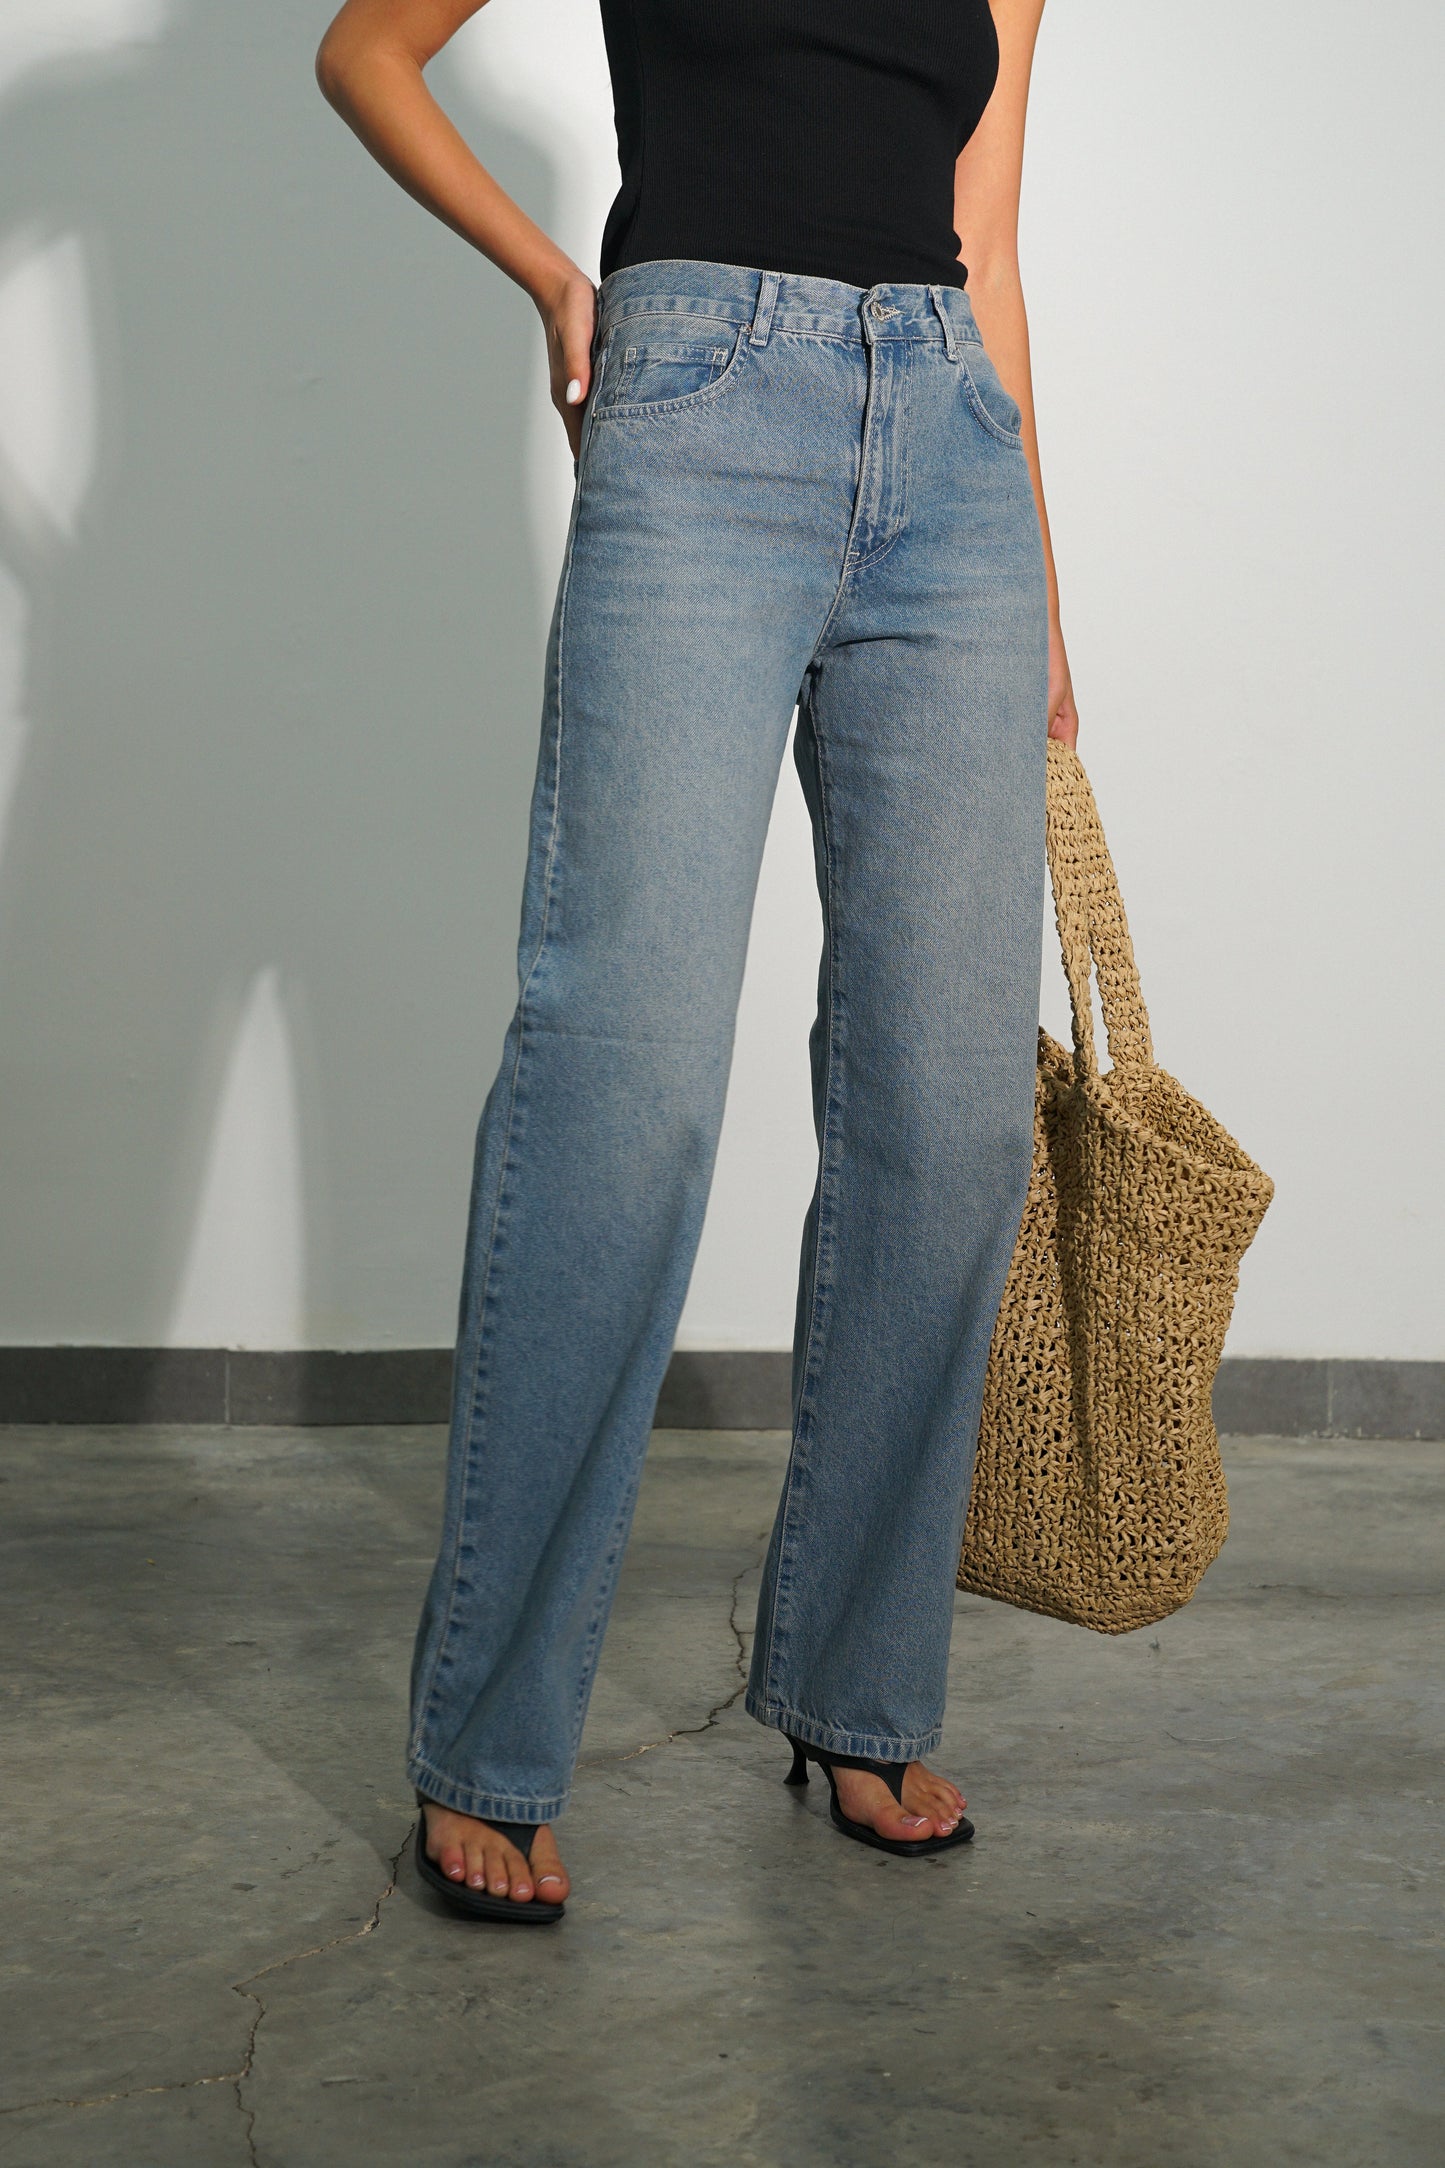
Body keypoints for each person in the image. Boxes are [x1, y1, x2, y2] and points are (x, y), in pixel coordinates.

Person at [316, 0, 1079, 1923]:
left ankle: (858, 1690)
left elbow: (986, 243)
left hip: (952, 459)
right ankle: (489, 1743)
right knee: (622, 1082)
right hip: (699, 415)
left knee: (951, 1115)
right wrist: (553, 284)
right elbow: (364, 52)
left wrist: (1043, 592)